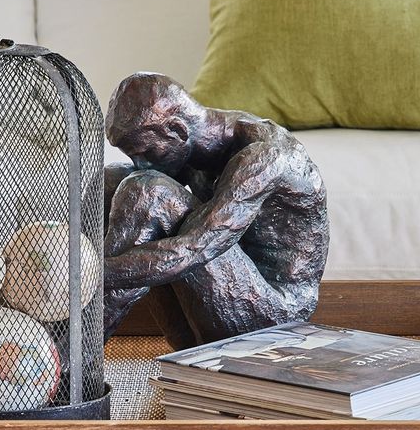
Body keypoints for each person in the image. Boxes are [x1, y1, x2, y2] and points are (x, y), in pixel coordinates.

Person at [102, 73, 329, 345]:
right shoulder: (191, 146)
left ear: (176, 129)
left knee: (147, 190)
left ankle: (72, 353)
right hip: (216, 297)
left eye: (146, 152)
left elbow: (194, 249)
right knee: (113, 182)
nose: (141, 163)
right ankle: (75, 350)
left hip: (274, 317)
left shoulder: (262, 157)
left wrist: (87, 274)